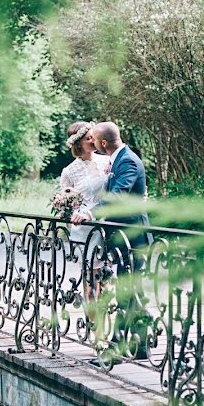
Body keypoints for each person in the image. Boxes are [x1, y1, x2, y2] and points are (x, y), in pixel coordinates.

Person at [76, 121, 153, 362]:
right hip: (124, 236)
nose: (92, 142)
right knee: (132, 290)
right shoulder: (120, 159)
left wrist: (90, 213)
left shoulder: (127, 161)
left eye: (94, 139)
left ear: (103, 143)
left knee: (128, 291)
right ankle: (141, 346)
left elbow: (118, 195)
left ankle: (115, 351)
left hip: (133, 235)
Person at [58, 121, 109, 301]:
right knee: (92, 288)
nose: (94, 141)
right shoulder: (69, 171)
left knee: (109, 284)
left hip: (109, 223)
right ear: (78, 143)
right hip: (86, 230)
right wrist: (70, 214)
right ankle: (93, 327)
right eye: (89, 138)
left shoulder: (106, 160)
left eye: (94, 137)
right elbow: (65, 204)